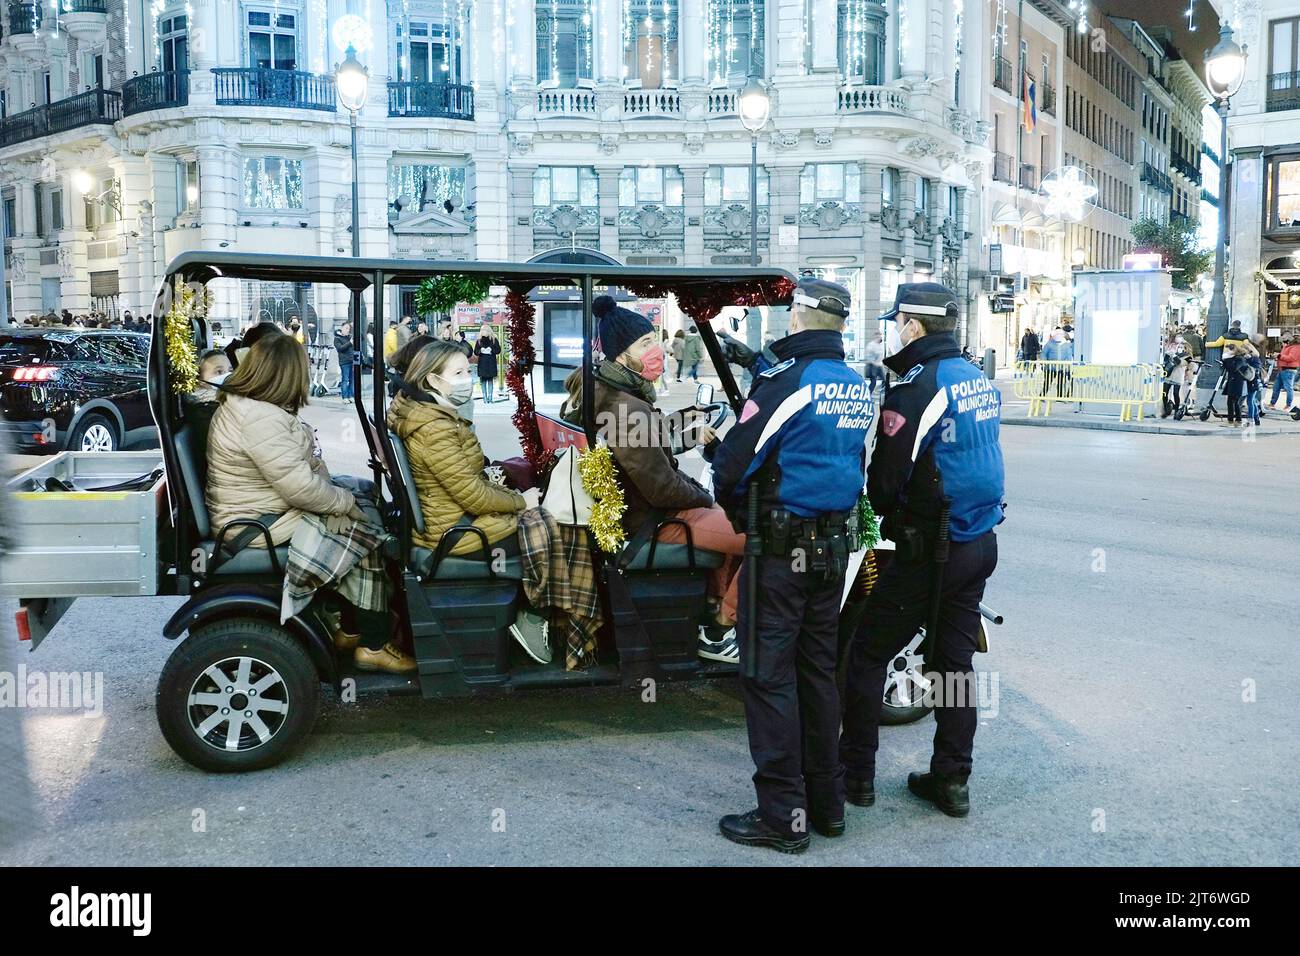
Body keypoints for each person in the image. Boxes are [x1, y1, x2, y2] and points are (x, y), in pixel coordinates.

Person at [707, 276, 874, 854]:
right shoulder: (855, 385)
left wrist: (740, 516)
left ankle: (783, 815)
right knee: (816, 673)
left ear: (799, 318)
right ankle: (826, 806)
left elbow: (732, 463)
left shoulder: (787, 381)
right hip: (832, 549)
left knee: (766, 674)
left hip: (783, 553)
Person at [840, 282, 1004, 821]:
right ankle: (951, 780)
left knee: (865, 654)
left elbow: (888, 476)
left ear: (913, 326)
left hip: (930, 548)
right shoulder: (973, 375)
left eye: (898, 322)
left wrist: (877, 512)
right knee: (953, 665)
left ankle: (856, 775)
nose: (894, 330)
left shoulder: (916, 387)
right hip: (979, 541)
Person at [388, 341, 603, 668]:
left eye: (468, 370)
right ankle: (538, 615)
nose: (467, 378)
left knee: (545, 513)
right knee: (564, 526)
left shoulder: (428, 413)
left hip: (449, 516)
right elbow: (471, 494)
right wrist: (521, 501)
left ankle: (555, 615)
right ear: (432, 381)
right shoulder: (434, 426)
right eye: (458, 373)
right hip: (458, 531)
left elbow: (465, 480)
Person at [206, 334, 413, 674]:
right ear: (286, 375)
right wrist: (342, 503)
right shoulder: (260, 417)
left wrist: (343, 496)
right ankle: (373, 644)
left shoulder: (250, 405)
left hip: (261, 507)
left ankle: (351, 628)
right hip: (258, 522)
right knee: (369, 538)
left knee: (362, 493)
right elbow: (300, 487)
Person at [560, 296, 745, 662]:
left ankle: (712, 608)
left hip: (640, 513)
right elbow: (661, 487)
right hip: (652, 521)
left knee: (730, 517)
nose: (656, 349)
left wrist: (682, 432)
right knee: (764, 535)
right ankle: (722, 627)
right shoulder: (627, 408)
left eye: (655, 340)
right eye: (644, 344)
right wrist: (705, 497)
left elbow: (645, 450)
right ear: (619, 356)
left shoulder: (609, 394)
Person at [1268, 334, 1300, 410]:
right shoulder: (1288, 346)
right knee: (1276, 387)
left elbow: (1291, 358)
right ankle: (1272, 404)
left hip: (1289, 369)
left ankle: (1288, 405)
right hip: (1282, 369)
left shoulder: (1296, 347)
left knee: (1288, 388)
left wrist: (1279, 356)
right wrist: (1278, 356)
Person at [473, 324, 501, 403]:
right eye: (482, 330)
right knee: (483, 380)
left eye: (485, 330)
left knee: (490, 380)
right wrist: (480, 351)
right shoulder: (479, 341)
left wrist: (491, 350)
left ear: (489, 331)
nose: (483, 332)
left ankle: (490, 397)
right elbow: (475, 351)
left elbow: (498, 350)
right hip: (482, 363)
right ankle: (485, 398)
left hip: (491, 362)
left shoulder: (494, 339)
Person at [334, 320, 355, 404]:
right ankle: (345, 397)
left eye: (349, 329)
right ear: (341, 328)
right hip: (344, 362)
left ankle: (351, 395)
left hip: (352, 360)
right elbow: (340, 348)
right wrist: (350, 343)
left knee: (352, 380)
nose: (347, 330)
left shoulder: (349, 337)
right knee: (345, 380)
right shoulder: (337, 339)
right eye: (346, 328)